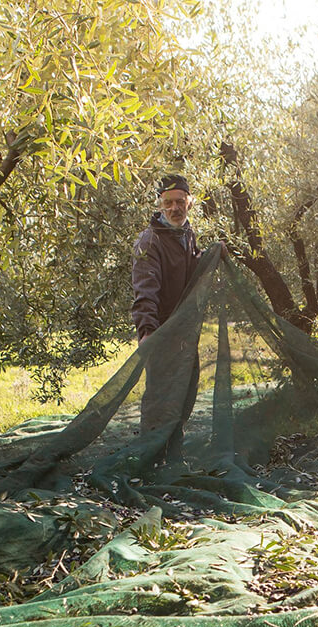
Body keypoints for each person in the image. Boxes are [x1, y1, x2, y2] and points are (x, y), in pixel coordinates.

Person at [131, 174, 201, 459]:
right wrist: (148, 331)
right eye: (168, 203)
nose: (175, 208)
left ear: (189, 203)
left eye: (180, 202)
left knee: (184, 395)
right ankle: (150, 461)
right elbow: (145, 288)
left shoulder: (186, 234)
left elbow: (191, 266)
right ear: (159, 205)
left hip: (185, 332)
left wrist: (208, 256)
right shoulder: (150, 240)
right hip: (161, 333)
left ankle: (173, 457)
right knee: (160, 401)